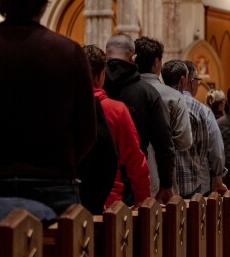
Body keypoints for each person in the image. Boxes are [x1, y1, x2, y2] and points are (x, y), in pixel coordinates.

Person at [0, 0, 96, 215]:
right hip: (55, 188)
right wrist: (60, 165)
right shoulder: (68, 52)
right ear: (44, 1)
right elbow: (87, 131)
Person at [104, 33, 177, 203]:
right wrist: (166, 184)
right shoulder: (147, 93)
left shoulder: (94, 88)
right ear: (134, 57)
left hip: (95, 179)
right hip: (133, 181)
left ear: (105, 54)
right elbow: (164, 143)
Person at [82, 44, 150, 210]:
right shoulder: (116, 110)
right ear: (101, 75)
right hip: (108, 203)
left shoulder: (64, 107)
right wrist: (143, 202)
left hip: (71, 202)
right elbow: (135, 161)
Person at [133, 36, 193, 196]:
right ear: (156, 62)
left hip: (130, 183)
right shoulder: (173, 96)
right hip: (162, 183)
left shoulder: (124, 92)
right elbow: (184, 142)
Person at [162, 60, 227, 197]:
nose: (198, 83)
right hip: (190, 183)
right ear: (185, 80)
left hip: (161, 184)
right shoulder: (200, 109)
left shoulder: (156, 101)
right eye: (197, 80)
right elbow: (207, 148)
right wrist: (217, 175)